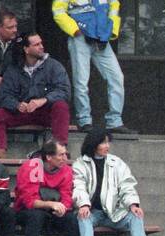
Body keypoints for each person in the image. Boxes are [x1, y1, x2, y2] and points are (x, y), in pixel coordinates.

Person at [72, 127, 158, 236]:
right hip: (93, 212)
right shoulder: (80, 164)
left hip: (115, 212)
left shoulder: (117, 163)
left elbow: (126, 185)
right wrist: (84, 204)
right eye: (103, 143)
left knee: (135, 216)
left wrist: (133, 204)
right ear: (94, 144)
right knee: (83, 216)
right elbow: (79, 187)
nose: (107, 146)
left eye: (108, 142)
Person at [53, 0, 132, 135]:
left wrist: (110, 32)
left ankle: (115, 121)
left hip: (101, 38)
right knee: (81, 81)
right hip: (80, 38)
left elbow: (114, 7)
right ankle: (84, 121)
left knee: (117, 77)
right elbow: (58, 12)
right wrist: (75, 30)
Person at [0, 32, 71, 151]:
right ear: (26, 49)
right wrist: (17, 105)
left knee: (61, 106)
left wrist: (44, 100)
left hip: (45, 112)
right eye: (36, 44)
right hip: (22, 112)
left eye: (41, 43)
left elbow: (64, 91)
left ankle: (60, 149)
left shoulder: (53, 66)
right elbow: (4, 95)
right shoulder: (13, 69)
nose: (41, 46)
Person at [14, 139, 79, 236]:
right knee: (36, 215)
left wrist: (63, 208)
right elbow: (29, 201)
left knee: (71, 219)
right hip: (26, 211)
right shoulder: (31, 167)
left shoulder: (66, 170)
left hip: (52, 211)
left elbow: (67, 195)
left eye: (66, 154)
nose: (65, 158)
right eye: (61, 155)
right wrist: (51, 204)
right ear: (49, 157)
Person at [0, 8, 23, 111]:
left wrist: (4, 82)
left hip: (6, 93)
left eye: (15, 26)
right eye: (10, 27)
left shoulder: (18, 45)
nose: (15, 30)